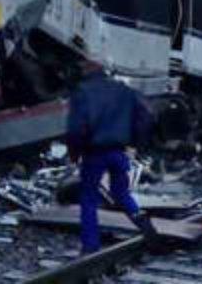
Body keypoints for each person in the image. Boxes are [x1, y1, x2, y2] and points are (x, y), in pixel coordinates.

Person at [66, 60, 158, 254]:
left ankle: (90, 245)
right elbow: (146, 115)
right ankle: (143, 223)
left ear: (89, 70)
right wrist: (135, 141)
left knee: (89, 198)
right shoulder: (123, 90)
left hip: (94, 154)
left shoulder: (83, 91)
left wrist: (74, 154)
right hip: (118, 152)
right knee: (121, 193)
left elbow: (75, 128)